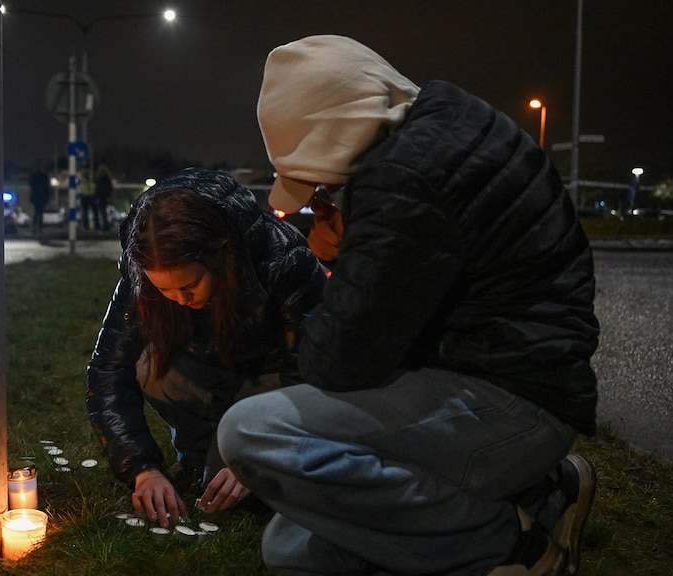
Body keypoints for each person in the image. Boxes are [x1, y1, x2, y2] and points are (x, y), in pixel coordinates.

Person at [217, 35, 599, 576]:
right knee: (292, 549)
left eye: (318, 177)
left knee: (252, 431)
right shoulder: (443, 118)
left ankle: (510, 546)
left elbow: (341, 360)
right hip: (519, 383)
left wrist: (341, 259)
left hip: (510, 400)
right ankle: (542, 495)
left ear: (329, 131)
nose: (324, 191)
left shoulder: (403, 176)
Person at [86, 167, 327, 528]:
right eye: (165, 290)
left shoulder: (284, 261)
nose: (179, 300)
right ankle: (203, 454)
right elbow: (108, 369)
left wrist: (257, 457)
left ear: (220, 258)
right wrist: (141, 468)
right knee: (150, 366)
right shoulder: (141, 278)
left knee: (256, 485)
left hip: (266, 383)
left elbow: (310, 374)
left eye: (190, 285)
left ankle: (238, 452)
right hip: (204, 379)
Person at [28, 164, 51, 235]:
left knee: (37, 212)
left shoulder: (34, 176)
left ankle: (35, 227)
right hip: (41, 197)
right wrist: (47, 197)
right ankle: (39, 228)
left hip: (36, 197)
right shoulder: (44, 176)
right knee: (40, 213)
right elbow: (47, 187)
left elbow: (30, 184)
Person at [94, 163, 116, 231]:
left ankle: (106, 226)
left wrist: (97, 196)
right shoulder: (107, 179)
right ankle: (106, 225)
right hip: (105, 197)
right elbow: (109, 188)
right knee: (106, 212)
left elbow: (98, 189)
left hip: (102, 197)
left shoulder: (100, 179)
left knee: (103, 212)